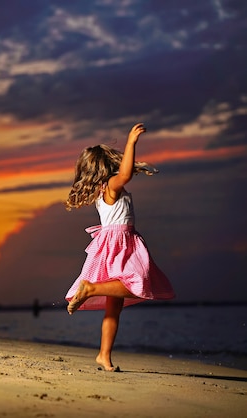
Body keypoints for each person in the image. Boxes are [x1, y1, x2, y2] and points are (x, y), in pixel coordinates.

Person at [64, 123, 174, 371]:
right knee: (138, 284)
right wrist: (131, 142)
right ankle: (91, 288)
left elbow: (127, 172)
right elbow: (124, 175)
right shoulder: (114, 185)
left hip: (112, 244)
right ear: (108, 166)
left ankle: (104, 355)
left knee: (114, 309)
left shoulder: (105, 188)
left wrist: (139, 166)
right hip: (120, 244)